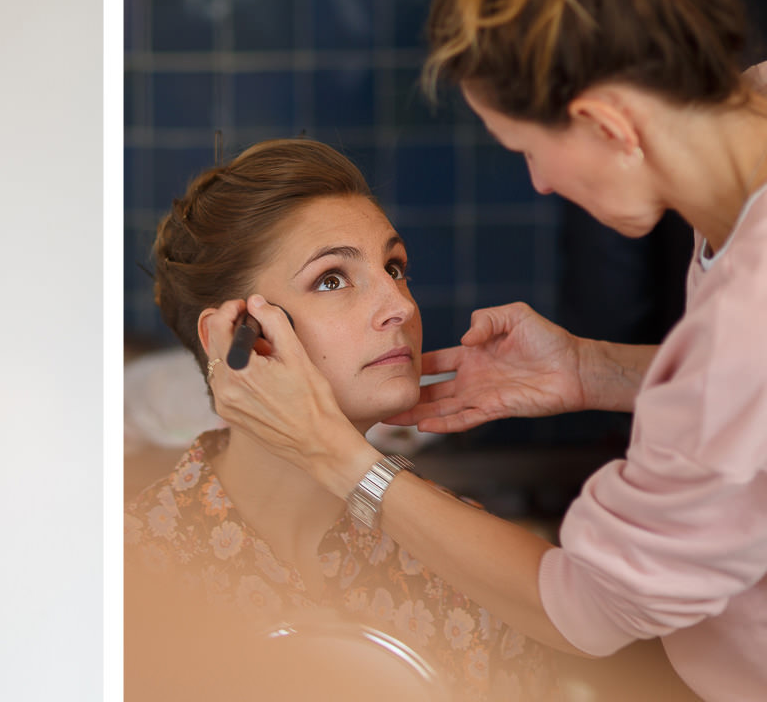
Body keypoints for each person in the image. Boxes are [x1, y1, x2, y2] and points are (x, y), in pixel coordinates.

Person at [200, 0, 767, 699]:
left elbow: (590, 608)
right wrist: (590, 369)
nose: (540, 183)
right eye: (333, 277)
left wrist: (339, 458)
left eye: (529, 150)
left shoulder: (747, 313)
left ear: (608, 124)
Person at [126, 138, 561, 701]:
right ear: (235, 337)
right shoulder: (126, 563)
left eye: (396, 268)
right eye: (332, 278)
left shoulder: (475, 564)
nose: (400, 306)